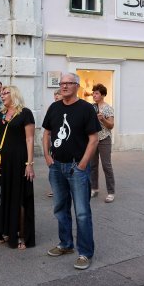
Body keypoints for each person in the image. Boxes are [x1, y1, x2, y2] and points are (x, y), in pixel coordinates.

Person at [42, 72, 100, 270]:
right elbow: (47, 133)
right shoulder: (54, 107)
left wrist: (83, 164)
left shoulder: (86, 109)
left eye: (69, 83)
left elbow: (94, 139)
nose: (64, 86)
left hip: (77, 167)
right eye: (62, 83)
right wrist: (48, 157)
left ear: (77, 86)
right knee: (60, 208)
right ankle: (65, 244)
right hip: (56, 166)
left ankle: (85, 252)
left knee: (82, 212)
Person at [0, 85, 35, 249]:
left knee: (19, 198)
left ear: (14, 95)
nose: (2, 95)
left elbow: (30, 139)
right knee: (3, 196)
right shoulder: (2, 114)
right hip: (3, 160)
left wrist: (29, 164)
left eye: (6, 92)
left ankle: (21, 235)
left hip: (19, 160)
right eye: (2, 92)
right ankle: (6, 230)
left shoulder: (25, 113)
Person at [89, 83, 116, 202]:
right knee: (92, 165)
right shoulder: (91, 107)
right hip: (92, 139)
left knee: (106, 166)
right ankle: (94, 188)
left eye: (96, 93)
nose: (94, 95)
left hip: (104, 139)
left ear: (103, 94)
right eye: (93, 93)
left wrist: (103, 119)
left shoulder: (108, 108)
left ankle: (111, 192)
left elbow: (111, 125)